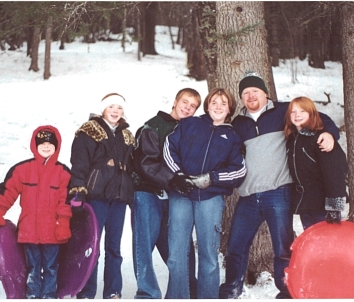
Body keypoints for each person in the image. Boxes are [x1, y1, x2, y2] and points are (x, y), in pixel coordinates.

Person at [219, 71, 340, 299]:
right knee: (235, 246)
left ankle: (286, 290)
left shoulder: (284, 112)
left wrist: (330, 134)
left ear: (266, 93)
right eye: (246, 93)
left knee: (283, 248)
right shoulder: (237, 124)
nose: (251, 96)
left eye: (255, 91)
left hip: (278, 193)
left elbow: (319, 118)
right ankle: (231, 290)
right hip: (248, 197)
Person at [163, 88, 247, 299]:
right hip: (181, 194)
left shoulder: (233, 136)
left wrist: (212, 178)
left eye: (223, 103)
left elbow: (239, 170)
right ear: (207, 105)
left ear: (230, 109)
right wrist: (178, 175)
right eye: (214, 102)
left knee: (209, 255)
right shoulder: (190, 124)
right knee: (176, 255)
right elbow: (168, 148)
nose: (218, 107)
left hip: (210, 198)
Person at [130, 88, 201, 299]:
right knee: (143, 243)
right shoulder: (154, 126)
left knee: (180, 245)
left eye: (192, 106)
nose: (187, 108)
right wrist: (172, 180)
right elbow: (146, 162)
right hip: (147, 192)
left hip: (174, 196)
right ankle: (147, 292)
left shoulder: (190, 130)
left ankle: (188, 288)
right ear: (175, 101)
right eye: (184, 102)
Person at [0, 125, 72, 299]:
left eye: (50, 144)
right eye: (42, 143)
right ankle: (33, 294)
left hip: (53, 230)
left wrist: (64, 223)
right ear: (34, 145)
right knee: (33, 266)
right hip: (29, 230)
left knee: (51, 265)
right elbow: (8, 191)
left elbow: (65, 202)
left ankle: (49, 294)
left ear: (57, 146)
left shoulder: (63, 173)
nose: (46, 146)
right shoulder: (22, 170)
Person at [68, 93, 135, 299]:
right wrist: (78, 190)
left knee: (114, 247)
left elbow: (132, 168)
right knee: (92, 247)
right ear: (103, 109)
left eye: (119, 108)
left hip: (118, 199)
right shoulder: (88, 132)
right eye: (111, 107)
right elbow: (79, 164)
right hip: (96, 197)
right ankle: (86, 291)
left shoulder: (127, 136)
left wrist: (131, 193)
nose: (115, 111)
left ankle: (113, 291)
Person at [284, 96, 348, 230]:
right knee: (312, 244)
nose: (297, 115)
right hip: (306, 205)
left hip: (323, 206)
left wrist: (334, 208)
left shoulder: (321, 139)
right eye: (293, 112)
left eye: (302, 111)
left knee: (328, 244)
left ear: (311, 114)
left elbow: (335, 173)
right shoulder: (293, 138)